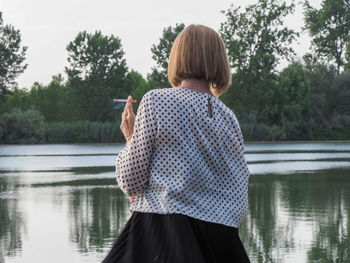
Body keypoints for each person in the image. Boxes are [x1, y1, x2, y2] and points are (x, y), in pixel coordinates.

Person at [103, 24, 251, 263]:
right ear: (219, 61)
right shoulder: (229, 118)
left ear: (177, 57)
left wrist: (130, 139)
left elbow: (131, 181)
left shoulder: (156, 101)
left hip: (162, 235)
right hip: (223, 241)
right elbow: (239, 193)